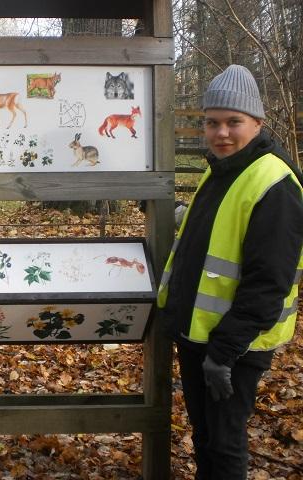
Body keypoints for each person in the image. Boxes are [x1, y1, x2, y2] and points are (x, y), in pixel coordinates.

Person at [157, 64, 303, 479]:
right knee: (205, 436)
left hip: (233, 346)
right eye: (212, 122)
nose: (221, 133)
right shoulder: (223, 168)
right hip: (198, 334)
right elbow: (222, 228)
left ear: (257, 123)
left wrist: (223, 354)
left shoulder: (275, 185)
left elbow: (268, 283)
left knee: (224, 444)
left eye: (233, 122)